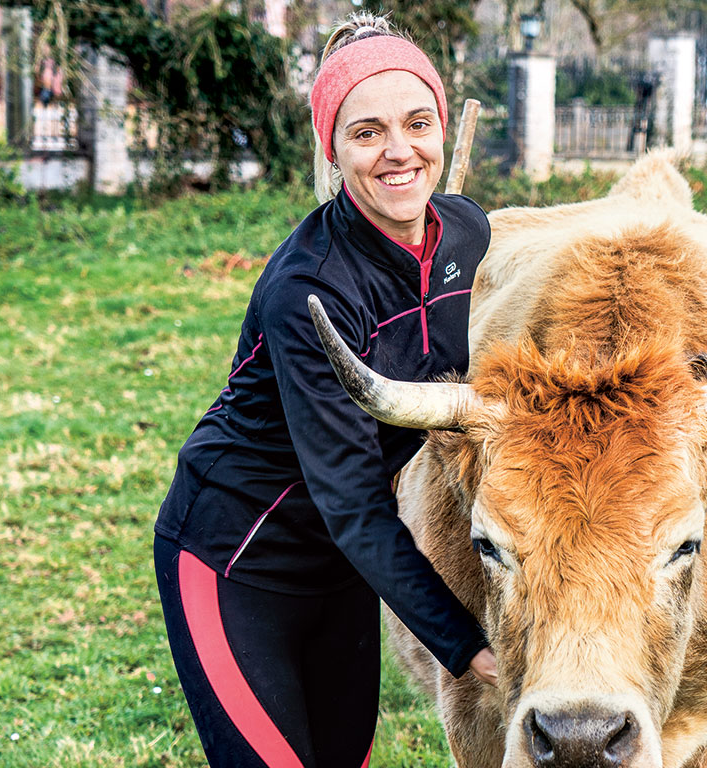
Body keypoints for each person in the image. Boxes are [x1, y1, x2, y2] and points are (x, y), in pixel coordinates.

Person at [152, 13, 497, 768]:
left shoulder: (468, 235)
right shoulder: (309, 288)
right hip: (235, 556)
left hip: (346, 569)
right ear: (333, 148)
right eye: (367, 133)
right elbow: (351, 502)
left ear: (442, 126)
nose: (399, 151)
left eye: (417, 123)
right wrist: (473, 652)